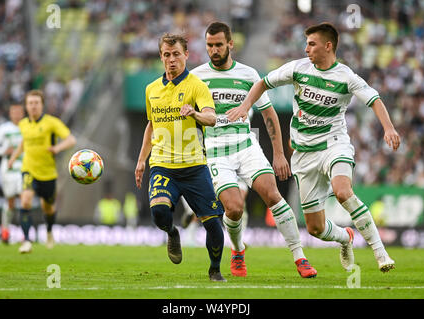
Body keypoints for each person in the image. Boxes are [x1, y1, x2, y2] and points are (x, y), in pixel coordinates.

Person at [227, 22, 400, 272]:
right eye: (306, 43)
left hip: (334, 144)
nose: (306, 48)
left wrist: (389, 128)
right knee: (315, 228)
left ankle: (380, 252)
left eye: (311, 44)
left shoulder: (346, 77)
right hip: (304, 154)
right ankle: (346, 237)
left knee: (342, 191)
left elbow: (374, 100)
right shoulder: (298, 68)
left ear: (328, 46)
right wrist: (245, 106)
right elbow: (262, 83)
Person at [191, 22, 317, 278]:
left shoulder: (249, 75)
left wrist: (279, 154)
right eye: (209, 45)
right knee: (234, 209)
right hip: (216, 152)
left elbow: (268, 113)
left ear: (230, 44)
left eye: (218, 45)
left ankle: (300, 257)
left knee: (272, 195)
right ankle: (237, 250)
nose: (213, 50)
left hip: (247, 145)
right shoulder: (196, 77)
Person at [134, 33, 226, 282]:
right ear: (161, 57)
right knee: (159, 213)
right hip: (163, 166)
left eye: (176, 54)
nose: (171, 59)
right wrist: (142, 159)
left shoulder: (197, 86)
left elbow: (212, 118)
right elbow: (151, 125)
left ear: (186, 54)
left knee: (213, 224)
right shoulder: (151, 89)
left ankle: (215, 269)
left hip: (195, 167)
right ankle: (172, 233)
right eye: (167, 55)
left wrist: (194, 113)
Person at [8, 90, 77, 253]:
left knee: (48, 208)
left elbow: (71, 139)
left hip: (48, 173)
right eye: (30, 103)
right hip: (28, 169)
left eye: (36, 103)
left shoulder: (51, 123)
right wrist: (13, 158)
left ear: (42, 105)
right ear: (26, 106)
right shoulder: (23, 124)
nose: (33, 106)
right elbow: (24, 143)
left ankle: (49, 231)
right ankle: (26, 241)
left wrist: (57, 148)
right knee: (25, 201)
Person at [0, 104, 25, 243]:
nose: (16, 114)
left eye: (19, 112)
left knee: (24, 200)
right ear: (10, 114)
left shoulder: (27, 127)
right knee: (10, 202)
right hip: (9, 170)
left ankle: (25, 234)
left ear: (23, 113)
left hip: (24, 168)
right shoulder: (5, 128)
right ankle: (5, 230)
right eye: (13, 112)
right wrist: (3, 151)